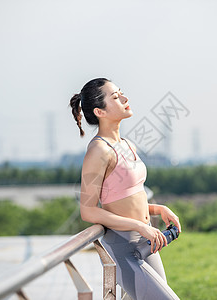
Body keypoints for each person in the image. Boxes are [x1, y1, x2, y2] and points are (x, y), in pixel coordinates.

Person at [69, 78, 181, 300]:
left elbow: (122, 197)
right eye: (115, 97)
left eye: (121, 93)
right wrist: (140, 226)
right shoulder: (98, 151)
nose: (125, 98)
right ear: (99, 111)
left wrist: (157, 209)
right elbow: (88, 210)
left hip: (146, 240)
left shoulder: (128, 145)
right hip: (124, 246)